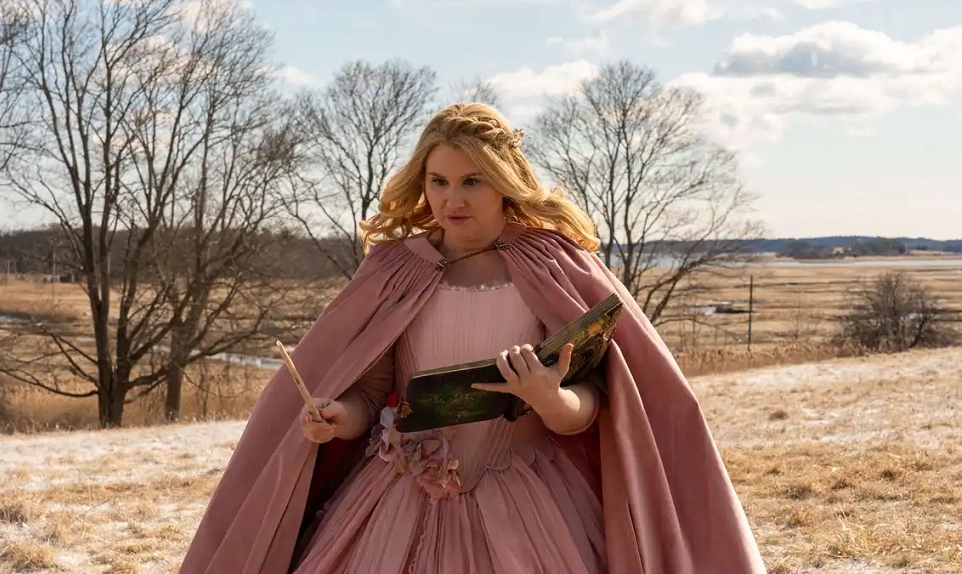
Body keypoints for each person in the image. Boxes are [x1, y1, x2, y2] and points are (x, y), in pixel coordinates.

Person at [178, 103, 766, 574]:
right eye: (438, 181)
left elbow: (592, 405)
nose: (451, 200)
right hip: (396, 498)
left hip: (529, 501)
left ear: (505, 183)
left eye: (472, 181)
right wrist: (337, 418)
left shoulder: (553, 265)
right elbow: (374, 391)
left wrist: (549, 398)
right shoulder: (395, 269)